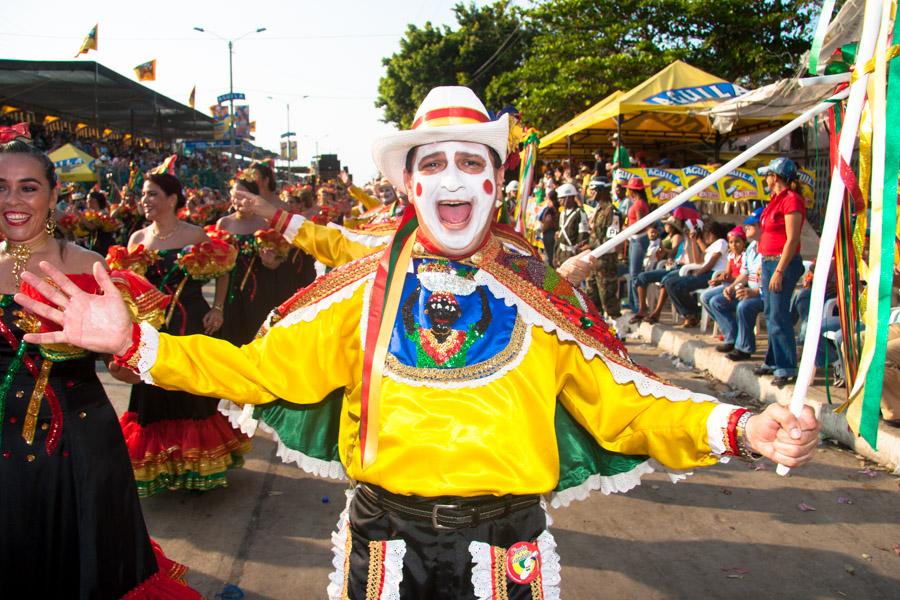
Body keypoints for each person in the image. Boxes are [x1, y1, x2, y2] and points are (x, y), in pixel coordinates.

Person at [18, 88, 820, 599]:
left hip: (507, 544)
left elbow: (627, 405)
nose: (450, 178)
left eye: (469, 162)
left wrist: (742, 427)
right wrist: (135, 343)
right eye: (432, 162)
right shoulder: (363, 292)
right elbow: (257, 371)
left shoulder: (538, 294)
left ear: (494, 183)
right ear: (409, 186)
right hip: (385, 542)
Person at [0, 130, 199, 598]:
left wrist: (128, 349)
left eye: (28, 187)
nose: (14, 199)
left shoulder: (90, 267)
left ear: (52, 194)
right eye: (1, 187)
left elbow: (123, 368)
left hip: (79, 445)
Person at [117, 168, 251, 496]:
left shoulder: (194, 236)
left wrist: (218, 307)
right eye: (143, 195)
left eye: (152, 194)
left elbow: (225, 269)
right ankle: (163, 465)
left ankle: (196, 464)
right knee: (153, 392)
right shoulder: (137, 239)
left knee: (191, 394)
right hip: (152, 329)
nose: (145, 201)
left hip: (189, 322)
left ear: (172, 199)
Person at [755, 157, 806, 387]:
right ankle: (773, 360)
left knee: (778, 315)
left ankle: (786, 366)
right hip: (768, 262)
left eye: (767, 175)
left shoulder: (792, 201)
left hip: (782, 263)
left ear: (775, 177)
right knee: (769, 313)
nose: (765, 179)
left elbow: (792, 239)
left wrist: (779, 270)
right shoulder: (776, 200)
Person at [710, 209, 765, 361]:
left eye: (751, 225)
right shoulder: (752, 247)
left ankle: (744, 348)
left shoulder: (767, 247)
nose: (747, 228)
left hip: (763, 294)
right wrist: (731, 286)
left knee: (744, 306)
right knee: (717, 301)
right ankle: (732, 338)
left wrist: (754, 292)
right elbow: (745, 273)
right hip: (747, 290)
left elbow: (768, 278)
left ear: (762, 226)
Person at [664, 221, 730, 328]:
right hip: (705, 273)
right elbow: (698, 260)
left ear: (711, 233)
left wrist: (698, 273)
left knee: (677, 285)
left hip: (712, 275)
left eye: (705, 234)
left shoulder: (721, 242)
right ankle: (691, 313)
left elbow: (711, 262)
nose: (704, 237)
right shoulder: (712, 246)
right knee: (669, 282)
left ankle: (692, 313)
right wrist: (694, 241)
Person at [630, 216, 689, 325]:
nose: (665, 226)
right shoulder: (668, 236)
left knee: (666, 280)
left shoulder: (677, 236)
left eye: (667, 224)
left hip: (679, 267)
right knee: (641, 276)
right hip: (669, 265)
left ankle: (656, 312)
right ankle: (642, 308)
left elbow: (673, 252)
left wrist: (663, 249)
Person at [585, 176, 621, 318]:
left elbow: (611, 240)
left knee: (608, 299)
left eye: (593, 190)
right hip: (594, 263)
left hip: (606, 264)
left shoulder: (612, 212)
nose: (591, 193)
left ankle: (618, 331)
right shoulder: (598, 210)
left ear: (602, 191)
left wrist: (591, 245)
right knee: (592, 300)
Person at [624, 177, 650, 312]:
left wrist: (627, 230)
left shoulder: (639, 204)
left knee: (634, 273)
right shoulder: (640, 203)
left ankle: (638, 306)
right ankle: (635, 304)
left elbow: (641, 224)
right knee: (633, 272)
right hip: (636, 239)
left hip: (638, 239)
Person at [554, 182, 589, 266]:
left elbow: (583, 238)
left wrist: (577, 255)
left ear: (569, 198)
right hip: (561, 253)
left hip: (572, 254)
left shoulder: (580, 213)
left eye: (561, 198)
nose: (559, 201)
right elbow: (560, 235)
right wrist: (555, 255)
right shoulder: (562, 213)